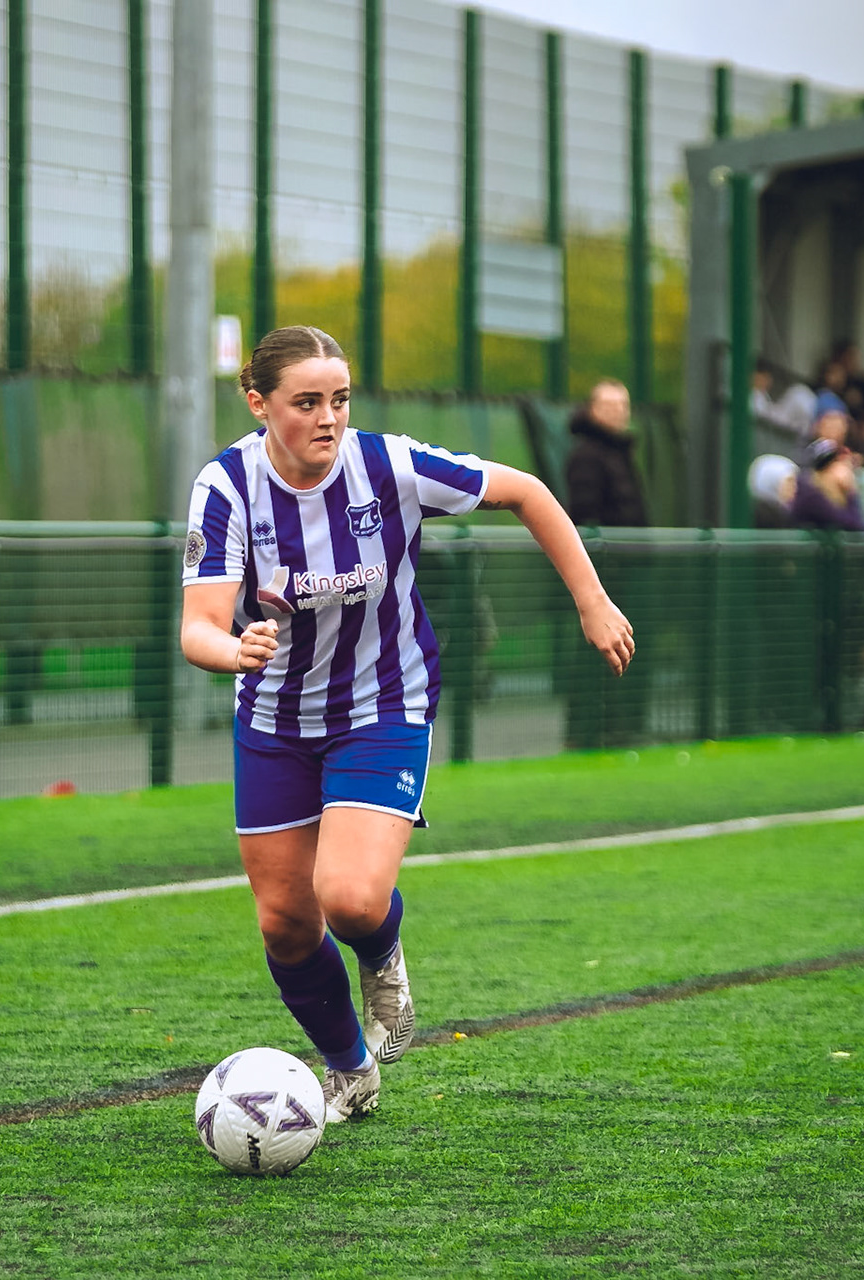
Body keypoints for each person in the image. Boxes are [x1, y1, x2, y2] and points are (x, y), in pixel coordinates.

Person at [180, 326, 635, 1124]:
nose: (329, 417)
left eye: (340, 399)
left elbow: (528, 491)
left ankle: (383, 956)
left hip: (382, 704)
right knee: (286, 925)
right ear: (258, 403)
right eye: (307, 402)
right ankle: (350, 1068)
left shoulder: (389, 465)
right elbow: (199, 628)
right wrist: (234, 649)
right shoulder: (226, 487)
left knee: (351, 900)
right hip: (275, 720)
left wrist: (592, 602)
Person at [564, 378, 649, 527]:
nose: (618, 411)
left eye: (623, 405)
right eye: (609, 405)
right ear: (593, 409)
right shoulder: (586, 456)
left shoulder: (622, 452)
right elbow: (584, 512)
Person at [789, 437, 864, 532]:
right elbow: (854, 526)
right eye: (836, 464)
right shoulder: (812, 496)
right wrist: (851, 493)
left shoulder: (832, 494)